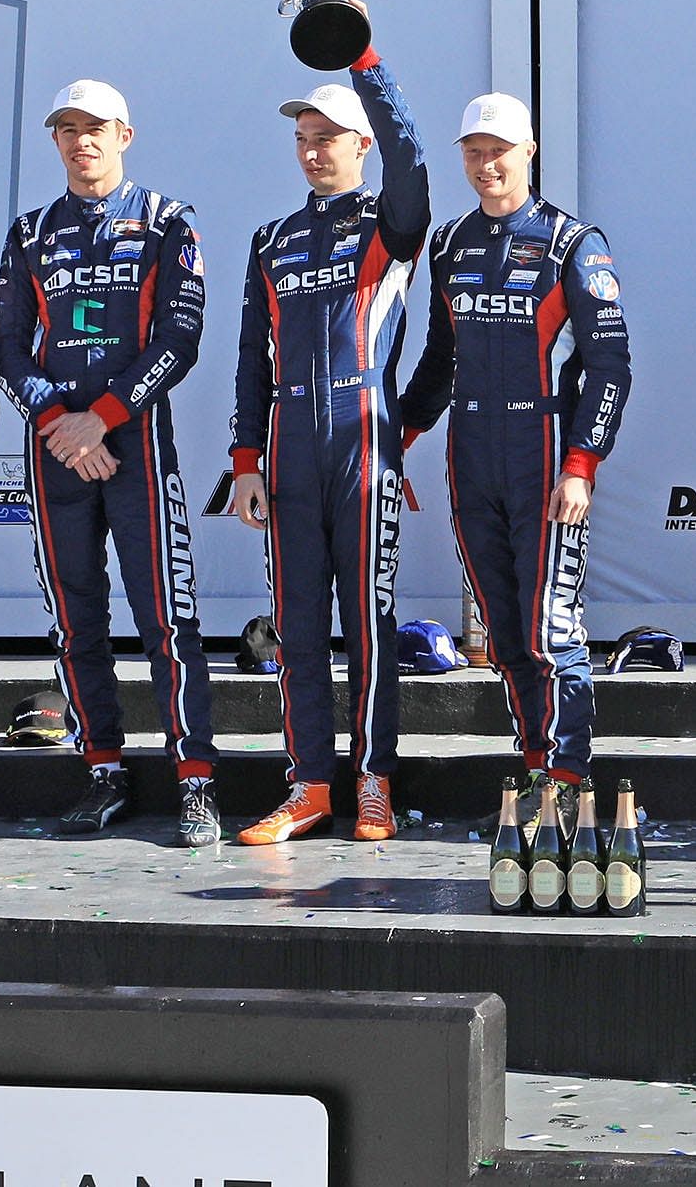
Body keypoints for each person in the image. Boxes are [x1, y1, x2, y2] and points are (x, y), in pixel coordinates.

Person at [0, 79, 218, 847]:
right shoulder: (27, 233)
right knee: (76, 621)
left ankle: (194, 780)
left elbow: (179, 340)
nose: (81, 141)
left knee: (167, 620)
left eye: (96, 128)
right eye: (67, 129)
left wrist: (104, 419)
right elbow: (6, 348)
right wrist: (61, 422)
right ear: (55, 140)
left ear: (125, 134)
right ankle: (102, 769)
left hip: (136, 447)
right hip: (56, 453)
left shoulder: (166, 221)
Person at [399, 90, 632, 821]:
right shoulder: (449, 244)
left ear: (529, 152)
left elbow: (610, 364)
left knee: (550, 629)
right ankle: (536, 770)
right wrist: (399, 434)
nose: (486, 164)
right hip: (471, 456)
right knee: (502, 634)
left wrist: (581, 465)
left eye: (499, 150)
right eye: (473, 151)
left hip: (545, 458)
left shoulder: (573, 242)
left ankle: (569, 780)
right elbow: (441, 357)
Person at [227, 47, 429, 846]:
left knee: (369, 624)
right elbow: (250, 358)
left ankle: (373, 780)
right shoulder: (272, 240)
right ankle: (309, 784)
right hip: (287, 447)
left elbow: (412, 158)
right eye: (304, 138)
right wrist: (245, 461)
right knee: (296, 625)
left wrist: (367, 63)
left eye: (329, 137)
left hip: (363, 438)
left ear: (360, 144)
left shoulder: (390, 224)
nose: (314, 149)